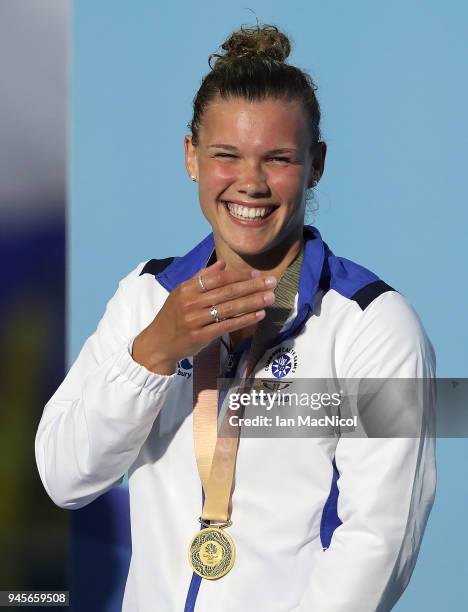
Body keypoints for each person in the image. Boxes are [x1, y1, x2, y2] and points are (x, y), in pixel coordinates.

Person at [35, 23, 436, 612]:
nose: (250, 183)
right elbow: (65, 477)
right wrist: (152, 354)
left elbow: (380, 538)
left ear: (315, 164)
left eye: (278, 159)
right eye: (226, 155)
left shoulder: (375, 324)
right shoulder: (146, 296)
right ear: (191, 157)